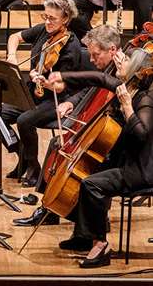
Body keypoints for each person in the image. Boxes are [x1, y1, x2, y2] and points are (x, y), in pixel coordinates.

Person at [51, 48, 153, 268]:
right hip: (126, 159)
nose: (119, 62)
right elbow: (98, 78)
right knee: (87, 174)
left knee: (91, 185)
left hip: (141, 169)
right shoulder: (129, 88)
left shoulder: (145, 98)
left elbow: (142, 135)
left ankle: (101, 245)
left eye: (125, 60)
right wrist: (62, 76)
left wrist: (126, 108)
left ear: (135, 68)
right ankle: (84, 237)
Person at [14, 25, 120, 227]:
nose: (91, 60)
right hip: (98, 131)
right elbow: (91, 87)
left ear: (112, 50)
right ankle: (48, 209)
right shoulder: (106, 66)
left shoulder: (124, 73)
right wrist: (70, 103)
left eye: (95, 55)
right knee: (57, 144)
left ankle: (91, 219)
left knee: (86, 160)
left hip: (115, 141)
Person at [0, 0, 83, 186]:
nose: (47, 22)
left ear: (65, 19)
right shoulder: (44, 31)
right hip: (33, 93)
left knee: (24, 121)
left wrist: (46, 81)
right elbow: (15, 37)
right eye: (45, 16)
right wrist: (12, 56)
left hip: (55, 99)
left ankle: (34, 167)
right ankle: (23, 155)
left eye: (53, 18)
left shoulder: (71, 46)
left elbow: (62, 86)